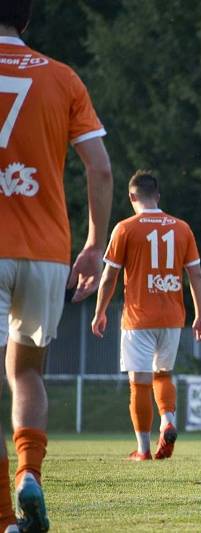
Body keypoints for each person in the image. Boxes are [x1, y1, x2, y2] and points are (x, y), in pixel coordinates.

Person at [0, 1, 113, 530]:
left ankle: (4, 515)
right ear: (27, 20)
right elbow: (100, 168)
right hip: (46, 252)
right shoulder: (63, 77)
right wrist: (94, 243)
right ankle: (30, 474)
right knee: (26, 371)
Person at [92, 170, 201, 462]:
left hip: (138, 318)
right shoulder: (182, 228)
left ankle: (143, 449)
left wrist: (100, 311)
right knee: (163, 374)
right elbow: (195, 274)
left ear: (132, 196)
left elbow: (109, 278)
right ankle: (167, 419)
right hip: (172, 317)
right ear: (157, 195)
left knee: (139, 381)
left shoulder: (125, 228)